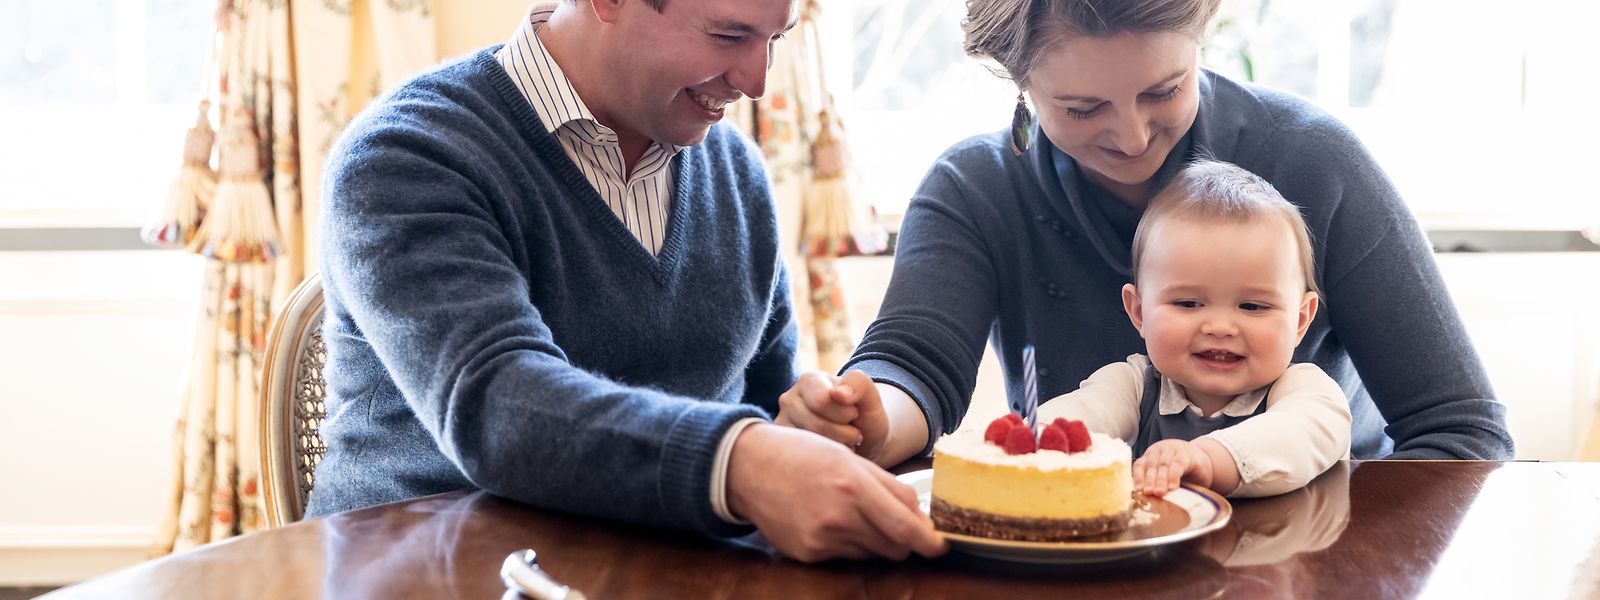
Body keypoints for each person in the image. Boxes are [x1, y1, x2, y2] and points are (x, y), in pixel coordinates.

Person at [307, 0, 944, 563]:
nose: (756, 82)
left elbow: (771, 405)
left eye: (775, 39)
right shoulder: (409, 154)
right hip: (428, 573)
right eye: (729, 37)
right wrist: (740, 461)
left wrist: (812, 422)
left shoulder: (739, 173)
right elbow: (495, 402)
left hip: (670, 573)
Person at [776, 0, 1513, 471]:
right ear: (1019, 83)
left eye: (1164, 90)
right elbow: (914, 369)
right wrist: (867, 418)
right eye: (1082, 106)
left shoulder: (1315, 161)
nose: (1131, 137)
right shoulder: (975, 188)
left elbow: (1461, 432)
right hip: (1090, 561)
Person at [1033, 159, 1350, 498]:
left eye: (1252, 306)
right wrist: (1032, 439)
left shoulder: (1305, 391)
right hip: (1158, 549)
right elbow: (1083, 413)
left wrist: (1208, 459)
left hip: (1282, 547)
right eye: (1188, 304)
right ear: (1139, 311)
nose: (1219, 327)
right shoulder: (1135, 386)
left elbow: (1300, 435)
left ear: (1300, 320)